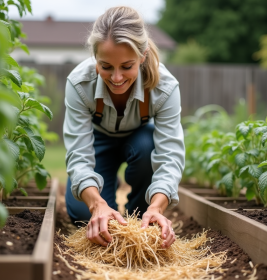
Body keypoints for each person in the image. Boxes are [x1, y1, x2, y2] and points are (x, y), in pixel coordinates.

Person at [63, 6, 185, 249]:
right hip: (98, 143)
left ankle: (140, 213)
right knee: (84, 216)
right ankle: (106, 183)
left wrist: (157, 207)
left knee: (147, 144)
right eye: (106, 66)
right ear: (95, 58)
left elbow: (170, 156)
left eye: (127, 66)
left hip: (138, 144)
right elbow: (78, 155)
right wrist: (96, 204)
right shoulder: (79, 84)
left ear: (142, 56)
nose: (116, 78)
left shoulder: (165, 87)